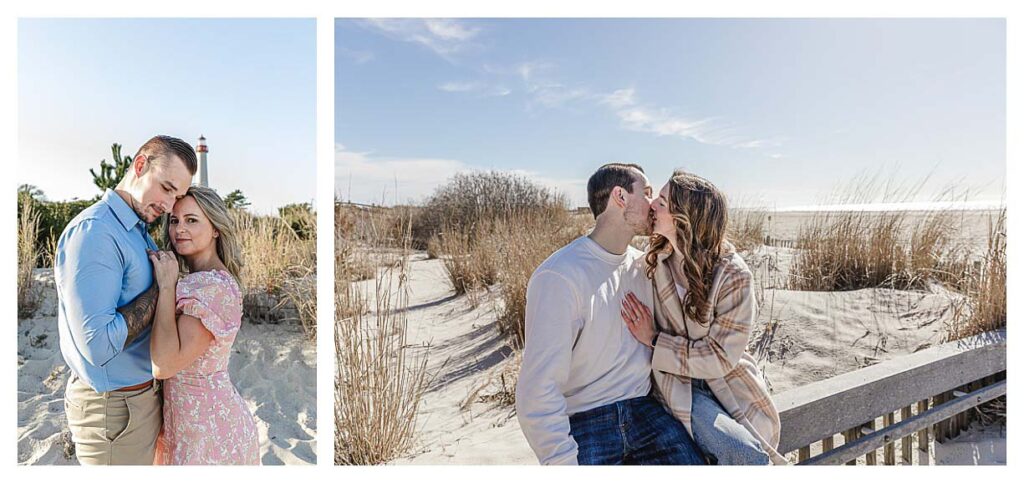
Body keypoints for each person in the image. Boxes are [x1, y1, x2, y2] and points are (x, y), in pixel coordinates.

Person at [516, 163, 705, 465]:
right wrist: (562, 462)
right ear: (620, 197)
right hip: (586, 419)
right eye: (645, 194)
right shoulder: (560, 275)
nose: (654, 204)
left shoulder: (646, 266)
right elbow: (537, 389)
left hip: (645, 411)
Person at [620, 169, 787, 465]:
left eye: (662, 201)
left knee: (747, 456)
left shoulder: (732, 274)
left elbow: (721, 356)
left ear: (687, 215)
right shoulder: (654, 259)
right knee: (742, 455)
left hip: (726, 381)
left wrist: (655, 339)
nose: (653, 206)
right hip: (674, 380)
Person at [57, 135, 196, 465]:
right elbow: (98, 347)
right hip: (112, 411)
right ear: (139, 165)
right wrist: (162, 288)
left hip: (136, 402)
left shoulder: (135, 229)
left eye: (177, 196)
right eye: (166, 187)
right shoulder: (96, 232)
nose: (168, 205)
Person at [148, 186, 260, 465]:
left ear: (215, 229)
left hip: (209, 433)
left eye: (192, 220)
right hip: (188, 425)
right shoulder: (202, 280)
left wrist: (166, 286)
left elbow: (164, 364)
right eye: (174, 220)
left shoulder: (212, 288)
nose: (179, 229)